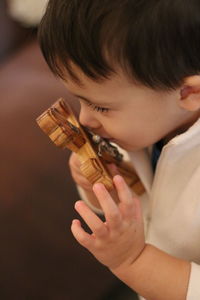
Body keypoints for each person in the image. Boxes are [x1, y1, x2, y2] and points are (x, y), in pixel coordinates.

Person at [38, 1, 200, 299]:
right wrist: (100, 186)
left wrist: (133, 261)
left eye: (101, 106)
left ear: (189, 93)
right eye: (81, 100)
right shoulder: (149, 127)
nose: (85, 119)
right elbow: (142, 197)